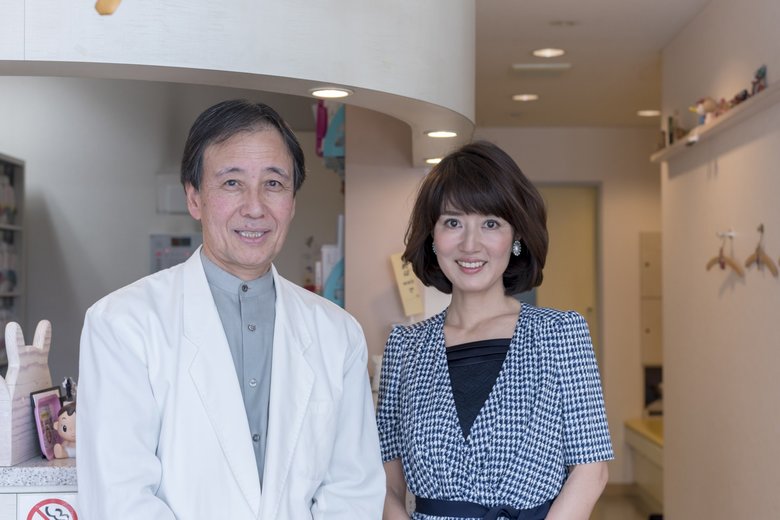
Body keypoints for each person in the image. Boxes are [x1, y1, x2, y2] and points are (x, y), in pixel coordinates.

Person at [77, 99, 384, 519]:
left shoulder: (338, 333)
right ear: (194, 198)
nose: (255, 207)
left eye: (273, 183)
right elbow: (119, 498)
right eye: (232, 183)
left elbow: (353, 490)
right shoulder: (122, 324)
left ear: (292, 201)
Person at [376, 141, 613, 520]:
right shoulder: (405, 347)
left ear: (515, 236)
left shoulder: (560, 334)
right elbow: (385, 483)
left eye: (490, 223)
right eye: (453, 222)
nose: (470, 245)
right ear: (433, 237)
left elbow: (591, 471)